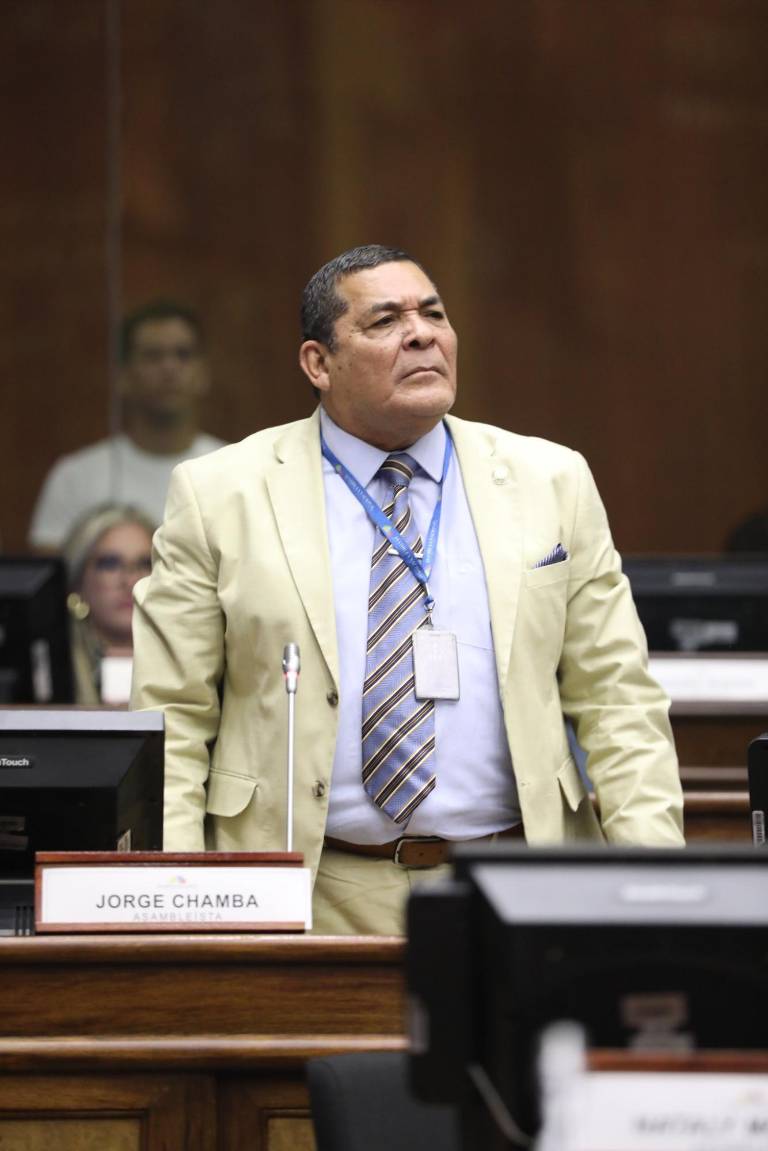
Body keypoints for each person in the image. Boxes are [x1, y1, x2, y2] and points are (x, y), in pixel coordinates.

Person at [131, 244, 684, 935]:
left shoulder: (552, 481)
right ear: (318, 363)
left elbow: (617, 699)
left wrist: (656, 885)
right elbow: (173, 718)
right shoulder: (220, 493)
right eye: (385, 320)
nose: (421, 333)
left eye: (434, 314)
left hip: (516, 880)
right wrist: (177, 900)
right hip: (304, 890)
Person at [29, 301, 225, 550]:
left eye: (183, 354)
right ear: (122, 375)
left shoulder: (236, 468)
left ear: (203, 372)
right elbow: (51, 571)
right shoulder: (75, 477)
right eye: (152, 355)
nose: (170, 368)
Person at [64, 504, 155, 704]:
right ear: (78, 582)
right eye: (110, 564)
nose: (130, 581)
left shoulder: (190, 661)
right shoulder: (52, 669)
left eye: (145, 563)